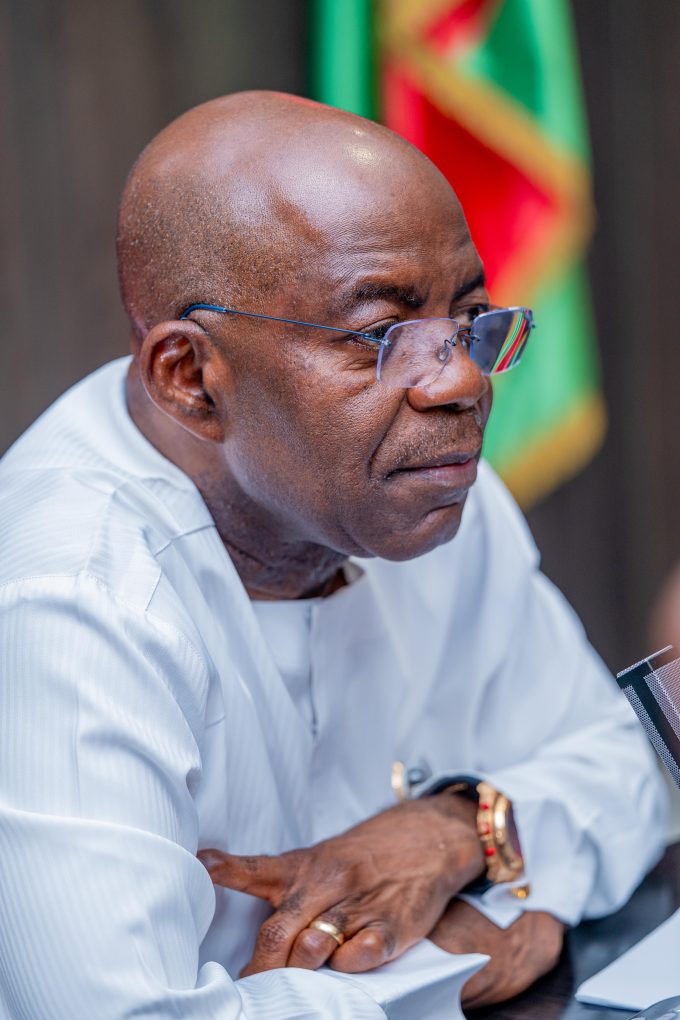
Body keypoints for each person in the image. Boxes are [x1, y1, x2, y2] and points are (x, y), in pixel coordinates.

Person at [0, 91, 666, 1019]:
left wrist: (457, 830)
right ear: (191, 378)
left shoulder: (419, 485)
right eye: (380, 335)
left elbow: (630, 767)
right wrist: (434, 961)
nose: (461, 380)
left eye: (470, 319)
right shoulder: (68, 600)